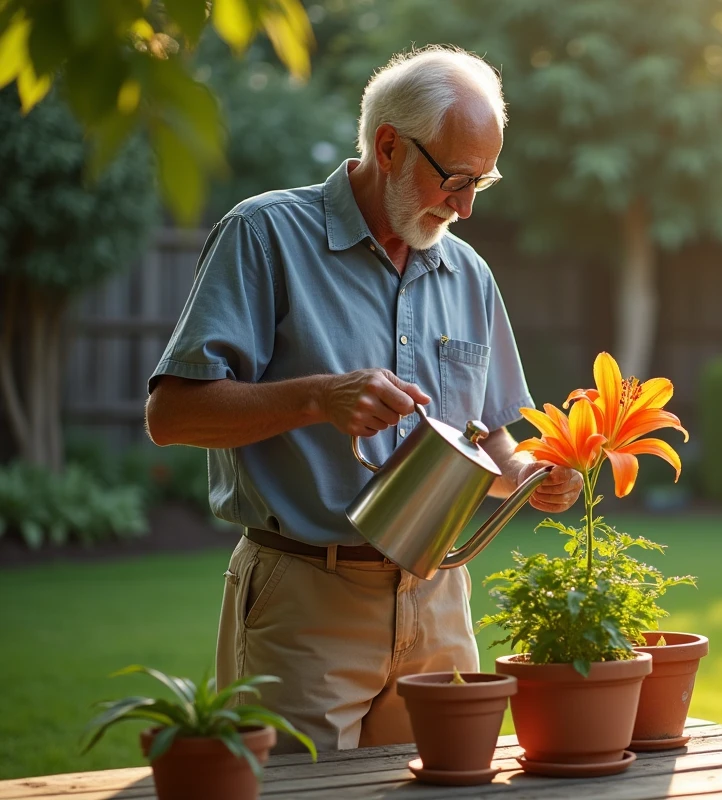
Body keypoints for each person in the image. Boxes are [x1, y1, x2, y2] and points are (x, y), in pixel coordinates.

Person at [143, 46, 583, 753]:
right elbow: (171, 416)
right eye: (457, 179)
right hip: (304, 600)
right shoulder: (264, 235)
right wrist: (320, 397)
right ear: (388, 147)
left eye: (483, 182)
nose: (467, 207)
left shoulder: (468, 274)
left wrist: (533, 475)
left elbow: (496, 439)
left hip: (439, 603)